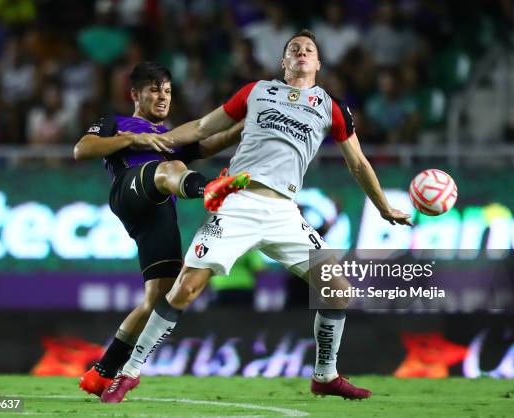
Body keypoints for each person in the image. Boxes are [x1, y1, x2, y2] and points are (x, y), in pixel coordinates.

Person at [101, 30, 412, 403]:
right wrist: (158, 140)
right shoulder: (257, 91)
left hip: (284, 212)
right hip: (237, 201)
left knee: (337, 291)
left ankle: (325, 375)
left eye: (308, 49)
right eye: (293, 48)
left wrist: (383, 207)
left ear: (318, 63)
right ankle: (128, 373)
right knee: (185, 288)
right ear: (284, 61)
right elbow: (202, 128)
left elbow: (358, 163)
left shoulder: (332, 107)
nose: (301, 52)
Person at [75, 61, 250, 397]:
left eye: (167, 91)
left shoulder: (170, 136)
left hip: (158, 211)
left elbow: (213, 142)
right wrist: (130, 140)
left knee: (158, 298)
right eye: (155, 90)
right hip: (128, 189)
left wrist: (248, 122)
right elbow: (82, 149)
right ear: (135, 94)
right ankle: (209, 189)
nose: (162, 97)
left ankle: (101, 373)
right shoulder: (116, 122)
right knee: (171, 167)